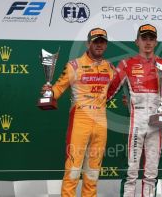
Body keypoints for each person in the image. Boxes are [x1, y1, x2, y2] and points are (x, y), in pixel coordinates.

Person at [107, 24, 162, 197]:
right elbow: (109, 92)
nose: (148, 42)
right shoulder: (126, 64)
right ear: (137, 41)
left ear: (156, 42)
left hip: (157, 120)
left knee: (151, 173)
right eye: (144, 38)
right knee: (131, 171)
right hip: (137, 121)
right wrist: (88, 100)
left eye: (151, 38)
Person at [41, 28, 115, 197]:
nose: (98, 45)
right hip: (80, 119)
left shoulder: (110, 67)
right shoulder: (74, 65)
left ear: (106, 45)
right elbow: (58, 89)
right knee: (73, 169)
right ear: (88, 43)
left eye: (101, 42)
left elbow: (113, 91)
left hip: (101, 121)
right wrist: (49, 92)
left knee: (93, 171)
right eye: (95, 41)